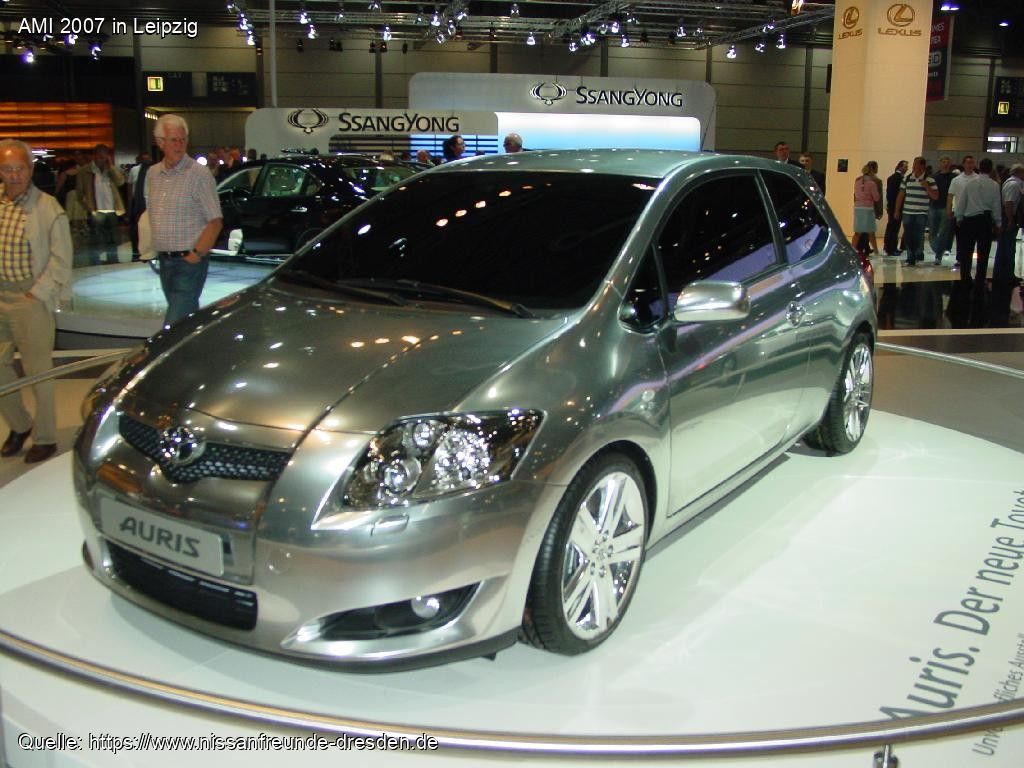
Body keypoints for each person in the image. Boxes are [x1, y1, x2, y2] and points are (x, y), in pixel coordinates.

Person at [0, 139, 72, 464]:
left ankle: (45, 438)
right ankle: (20, 425)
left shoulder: (48, 208)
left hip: (30, 298)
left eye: (20, 168)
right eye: (7, 169)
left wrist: (37, 292)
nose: (14, 175)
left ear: (30, 169)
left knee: (37, 371)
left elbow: (61, 259)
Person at [146, 114, 223, 326]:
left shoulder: (199, 175)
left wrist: (196, 254)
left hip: (189, 263)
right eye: (174, 140)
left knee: (173, 324)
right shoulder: (153, 174)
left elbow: (215, 221)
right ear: (160, 142)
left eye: (183, 140)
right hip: (165, 260)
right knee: (185, 323)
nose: (179, 145)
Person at [955, 157, 1002, 296]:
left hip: (969, 220)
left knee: (966, 251)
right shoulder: (994, 185)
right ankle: (980, 279)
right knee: (984, 252)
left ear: (979, 168)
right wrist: (998, 223)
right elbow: (996, 205)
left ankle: (965, 278)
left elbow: (962, 201)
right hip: (985, 221)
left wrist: (959, 217)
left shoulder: (970, 183)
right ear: (991, 169)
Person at [76, 144, 125, 263]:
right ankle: (95, 262)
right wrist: (88, 207)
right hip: (95, 210)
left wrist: (111, 167)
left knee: (112, 238)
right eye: (100, 157)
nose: (102, 160)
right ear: (94, 156)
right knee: (96, 239)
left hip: (112, 208)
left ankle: (113, 261)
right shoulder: (85, 171)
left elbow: (120, 182)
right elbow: (79, 194)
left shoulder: (110, 169)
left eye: (104, 157)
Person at [990, 163, 1024, 326]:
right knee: (1006, 247)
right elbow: (1009, 203)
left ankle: (1005, 272)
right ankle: (1003, 273)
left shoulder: (1013, 183)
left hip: (1010, 219)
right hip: (1009, 219)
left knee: (1008, 247)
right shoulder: (1013, 184)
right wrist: (1010, 219)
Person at [893, 156, 938, 267]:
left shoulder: (930, 180)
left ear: (922, 166)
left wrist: (927, 187)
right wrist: (897, 210)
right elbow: (901, 195)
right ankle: (910, 257)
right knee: (908, 235)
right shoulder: (907, 178)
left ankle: (918, 254)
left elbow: (935, 196)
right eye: (914, 164)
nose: (913, 166)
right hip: (908, 212)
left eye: (916, 164)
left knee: (918, 235)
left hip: (921, 213)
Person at [947, 154, 978, 272]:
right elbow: (950, 195)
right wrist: (949, 209)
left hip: (974, 212)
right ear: (964, 164)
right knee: (960, 237)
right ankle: (960, 258)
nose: (970, 165)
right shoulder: (957, 180)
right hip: (959, 212)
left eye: (972, 163)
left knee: (971, 237)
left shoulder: (978, 179)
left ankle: (968, 258)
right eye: (968, 163)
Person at [929, 155, 955, 264]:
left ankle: (938, 255)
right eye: (943, 161)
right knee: (932, 232)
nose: (946, 163)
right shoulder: (934, 177)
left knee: (943, 232)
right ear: (940, 163)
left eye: (947, 161)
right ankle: (937, 249)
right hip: (934, 206)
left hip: (946, 207)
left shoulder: (954, 177)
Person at [852, 162, 881, 256]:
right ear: (872, 171)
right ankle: (876, 251)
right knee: (871, 231)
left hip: (858, 208)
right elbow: (876, 198)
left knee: (857, 232)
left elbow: (855, 195)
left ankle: (852, 250)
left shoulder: (857, 182)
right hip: (868, 209)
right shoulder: (872, 183)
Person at [883, 160, 908, 257]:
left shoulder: (893, 178)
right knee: (893, 228)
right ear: (900, 166)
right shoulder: (898, 179)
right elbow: (893, 195)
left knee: (892, 227)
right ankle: (891, 248)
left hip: (893, 206)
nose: (906, 169)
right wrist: (896, 208)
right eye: (905, 166)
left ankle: (889, 247)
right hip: (896, 207)